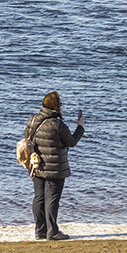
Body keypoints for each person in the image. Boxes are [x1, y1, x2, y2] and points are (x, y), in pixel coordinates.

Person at [24, 91, 84, 241]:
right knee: (52, 199)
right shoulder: (57, 124)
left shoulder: (32, 120)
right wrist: (80, 127)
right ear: (57, 106)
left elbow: (27, 139)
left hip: (36, 165)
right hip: (55, 168)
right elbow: (71, 142)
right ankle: (53, 232)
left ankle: (40, 231)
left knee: (39, 197)